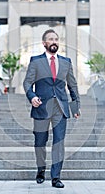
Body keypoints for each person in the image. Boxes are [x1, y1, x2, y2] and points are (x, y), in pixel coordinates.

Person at [23, 29, 81, 188]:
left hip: (60, 108)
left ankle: (56, 177)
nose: (54, 41)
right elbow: (27, 83)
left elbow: (72, 85)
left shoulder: (66, 62)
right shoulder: (35, 61)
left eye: (56, 39)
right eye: (50, 39)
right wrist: (32, 96)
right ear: (44, 43)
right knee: (40, 142)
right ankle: (41, 169)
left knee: (59, 143)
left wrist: (75, 106)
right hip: (41, 107)